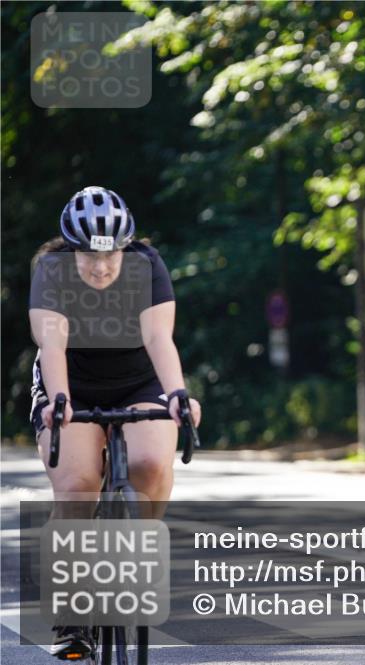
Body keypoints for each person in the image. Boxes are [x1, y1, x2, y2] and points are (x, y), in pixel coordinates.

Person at [28, 185, 202, 660]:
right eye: (89, 257)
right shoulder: (51, 271)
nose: (101, 267)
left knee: (149, 461)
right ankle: (73, 609)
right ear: (72, 251)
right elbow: (52, 343)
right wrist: (59, 399)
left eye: (111, 256)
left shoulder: (147, 265)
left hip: (139, 382)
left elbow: (158, 336)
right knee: (79, 483)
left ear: (126, 248)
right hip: (72, 386)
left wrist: (178, 395)